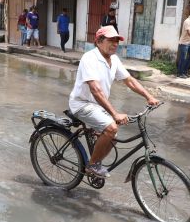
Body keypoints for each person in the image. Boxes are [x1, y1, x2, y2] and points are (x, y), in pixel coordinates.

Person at [68, 26, 159, 178]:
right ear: (98, 41)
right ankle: (92, 165)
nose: (115, 44)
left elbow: (129, 80)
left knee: (113, 133)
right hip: (82, 104)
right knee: (111, 128)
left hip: (97, 106)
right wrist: (115, 113)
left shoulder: (114, 60)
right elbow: (95, 90)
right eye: (111, 40)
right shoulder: (89, 58)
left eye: (117, 41)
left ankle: (96, 158)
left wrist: (148, 96)